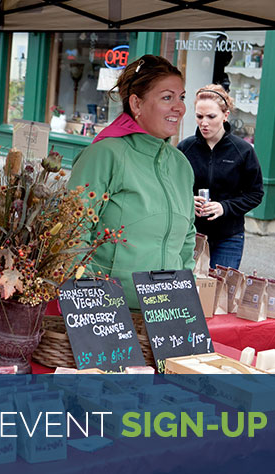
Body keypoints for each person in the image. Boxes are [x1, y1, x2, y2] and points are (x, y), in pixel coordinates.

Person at [67, 55, 195, 310]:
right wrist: (94, 299)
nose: (179, 108)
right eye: (167, 97)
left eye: (181, 97)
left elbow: (188, 239)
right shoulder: (106, 154)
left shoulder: (181, 164)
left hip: (166, 314)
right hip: (111, 313)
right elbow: (72, 233)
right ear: (136, 103)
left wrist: (183, 290)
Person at [177, 84, 263, 269]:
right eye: (199, 116)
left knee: (219, 294)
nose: (204, 123)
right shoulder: (185, 149)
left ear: (225, 115)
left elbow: (255, 194)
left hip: (229, 237)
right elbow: (170, 189)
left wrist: (224, 207)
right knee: (189, 293)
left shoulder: (243, 151)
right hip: (190, 234)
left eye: (211, 116)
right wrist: (187, 201)